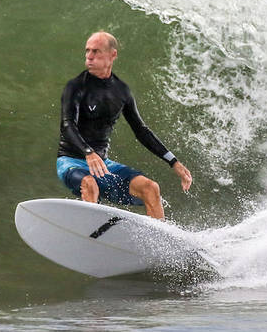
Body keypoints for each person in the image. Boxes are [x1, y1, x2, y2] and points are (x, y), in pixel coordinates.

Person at [56, 31, 192, 219]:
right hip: (71, 162)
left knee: (150, 188)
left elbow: (141, 131)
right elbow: (67, 124)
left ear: (113, 55)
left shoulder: (121, 91)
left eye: (96, 51)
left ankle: (161, 242)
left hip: (104, 165)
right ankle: (92, 232)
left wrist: (173, 161)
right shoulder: (76, 87)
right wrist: (88, 152)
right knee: (89, 184)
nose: (89, 56)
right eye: (87, 51)